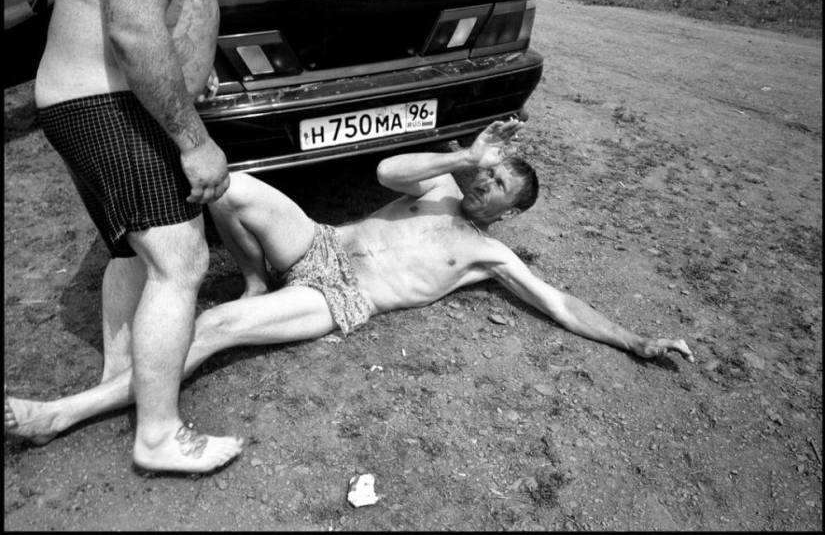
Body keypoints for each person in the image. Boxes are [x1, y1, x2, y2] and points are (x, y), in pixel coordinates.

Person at [4, 119, 695, 448]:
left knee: (211, 330)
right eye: (486, 175)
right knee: (228, 185)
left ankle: (60, 413)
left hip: (339, 296)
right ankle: (250, 280)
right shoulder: (438, 195)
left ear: (510, 212)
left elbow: (561, 303)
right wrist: (462, 154)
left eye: (495, 188)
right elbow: (387, 173)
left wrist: (633, 341)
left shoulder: (487, 255)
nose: (481, 186)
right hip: (323, 244)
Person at [30, 0, 242, 473]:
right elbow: (133, 28)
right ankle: (158, 435)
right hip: (106, 104)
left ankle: (122, 378)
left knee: (131, 251)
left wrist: (189, 66)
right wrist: (194, 141)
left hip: (82, 99)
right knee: (181, 262)